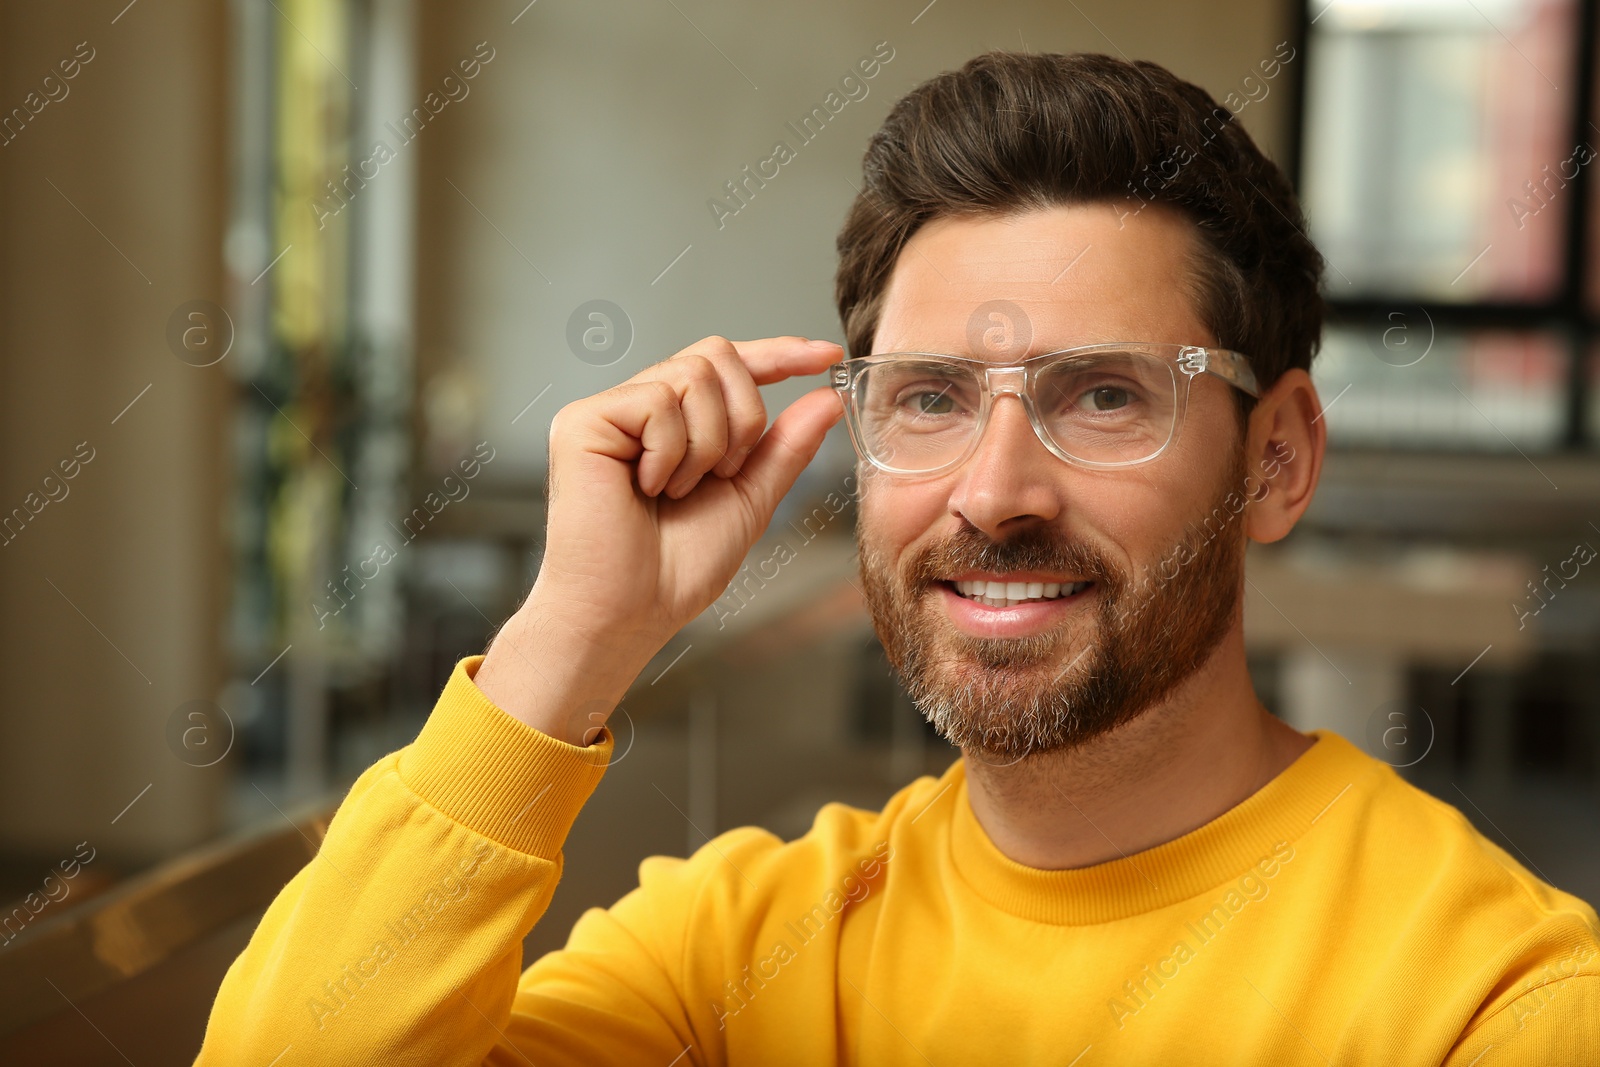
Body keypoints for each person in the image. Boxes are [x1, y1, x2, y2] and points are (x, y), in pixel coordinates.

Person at [195, 51, 1600, 1064]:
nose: (994, 491)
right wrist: (573, 630)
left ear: (1277, 459)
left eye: (1103, 394)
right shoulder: (742, 950)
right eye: (927, 399)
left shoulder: (1496, 1003)